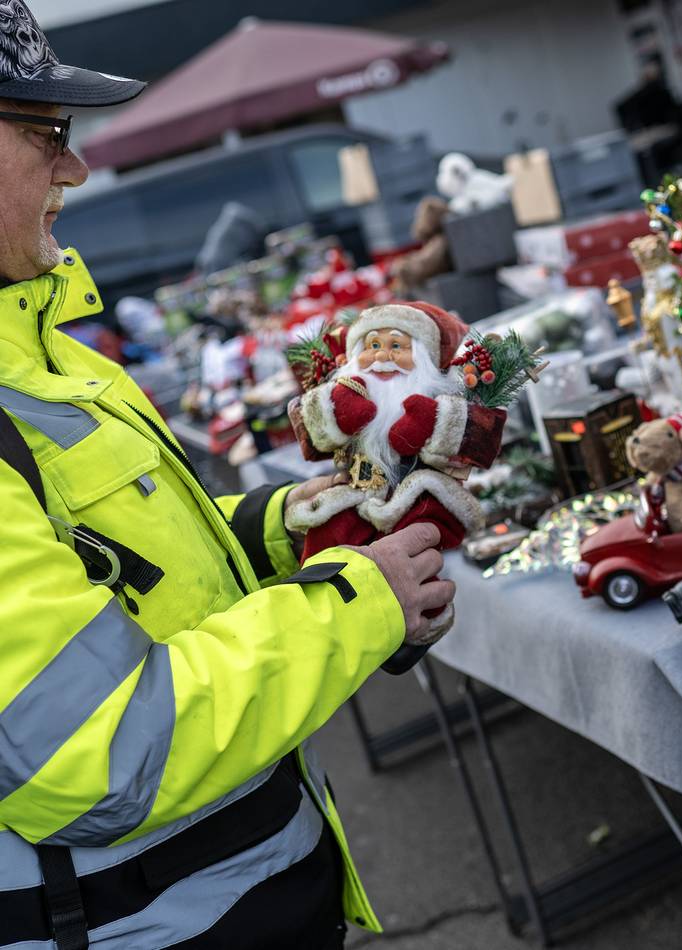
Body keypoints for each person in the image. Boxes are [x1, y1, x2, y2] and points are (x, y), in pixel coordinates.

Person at [0, 3, 454, 948]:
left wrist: (283, 524)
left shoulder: (41, 346)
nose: (75, 166)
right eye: (46, 132)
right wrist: (360, 602)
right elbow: (95, 752)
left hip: (236, 894)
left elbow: (121, 561)